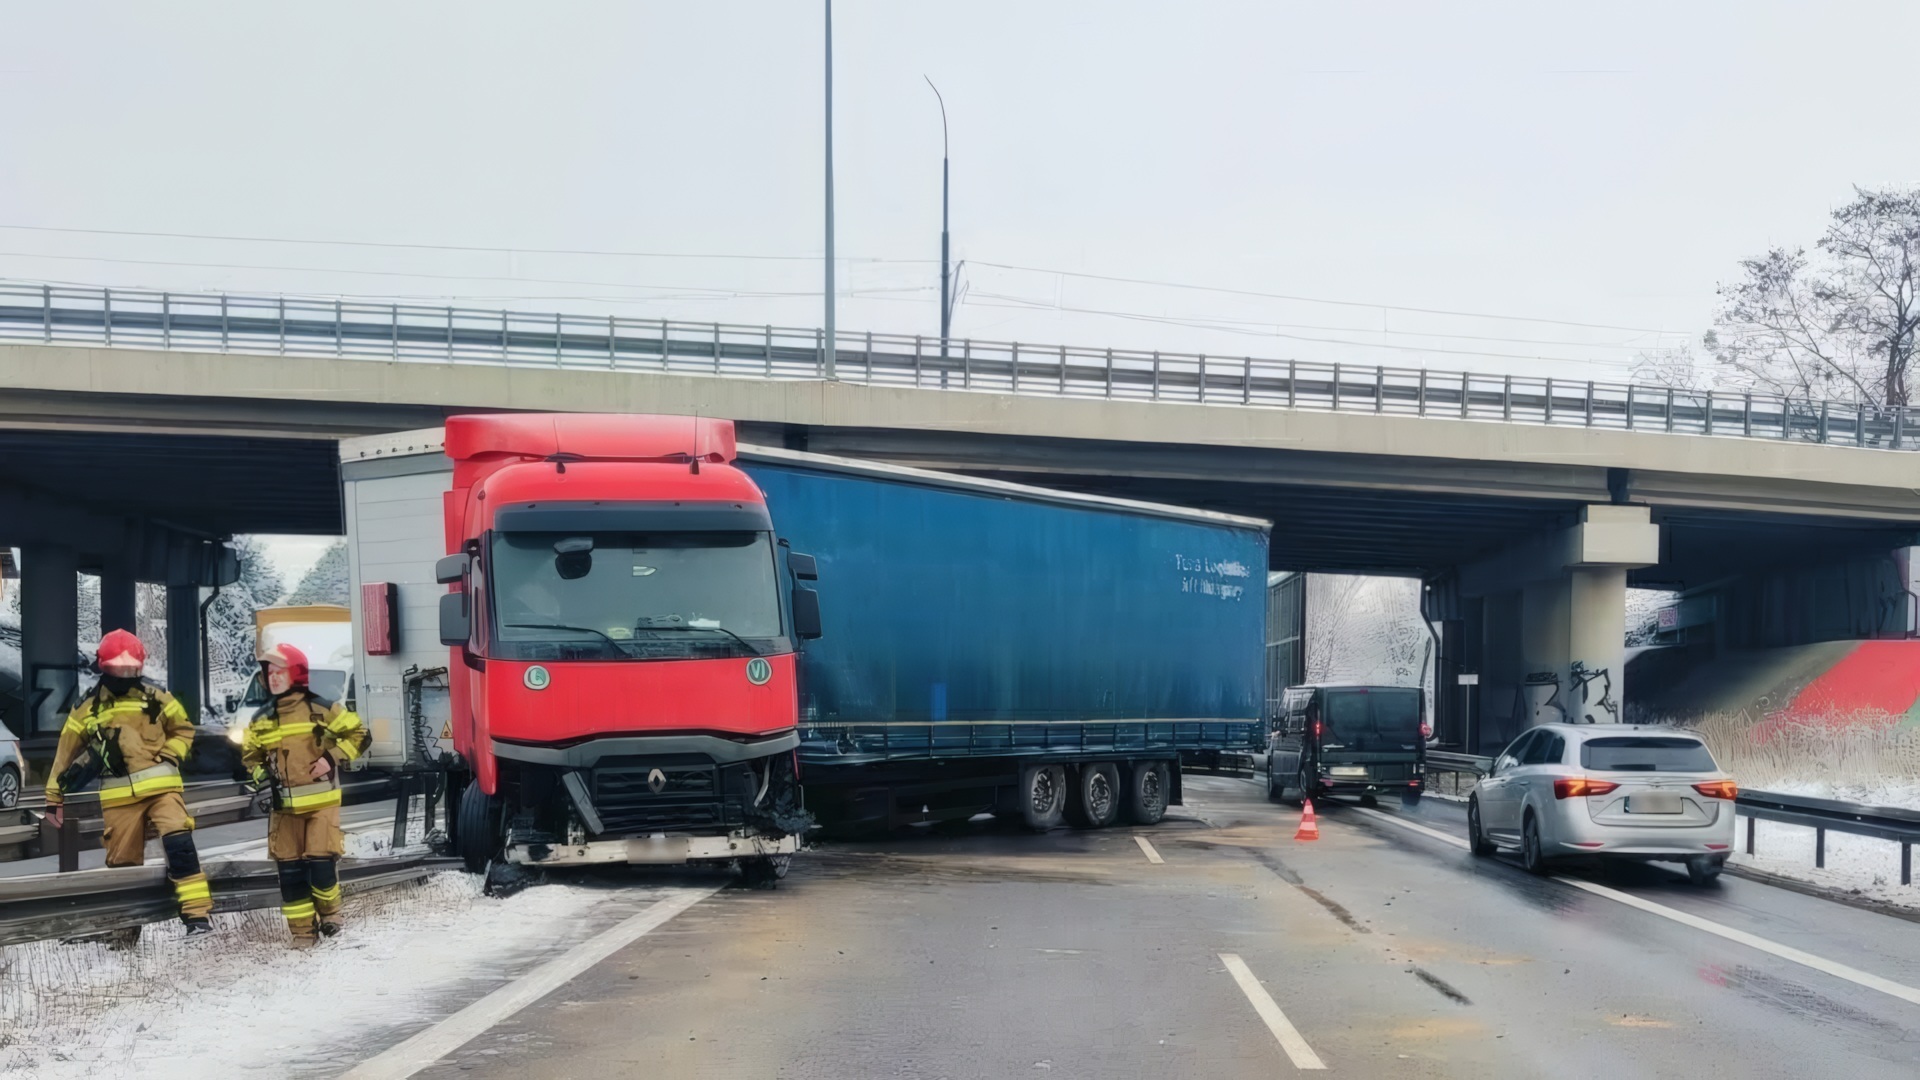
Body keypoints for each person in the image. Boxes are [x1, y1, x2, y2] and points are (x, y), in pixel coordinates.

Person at [46, 628, 213, 935]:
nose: (123, 675)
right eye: (116, 669)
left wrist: (169, 756)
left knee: (180, 844)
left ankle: (197, 918)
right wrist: (53, 798)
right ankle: (124, 935)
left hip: (162, 790)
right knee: (122, 866)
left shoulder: (158, 697)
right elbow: (65, 753)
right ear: (103, 667)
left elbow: (184, 730)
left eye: (129, 669)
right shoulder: (87, 707)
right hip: (119, 799)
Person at [241, 643, 369, 944]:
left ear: (295, 674)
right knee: (290, 874)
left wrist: (330, 757)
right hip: (283, 809)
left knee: (321, 864)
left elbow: (360, 734)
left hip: (321, 803)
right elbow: (251, 757)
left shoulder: (322, 708)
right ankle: (302, 936)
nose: (272, 678)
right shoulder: (262, 719)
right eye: (269, 673)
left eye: (279, 672)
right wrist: (262, 779)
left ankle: (330, 916)